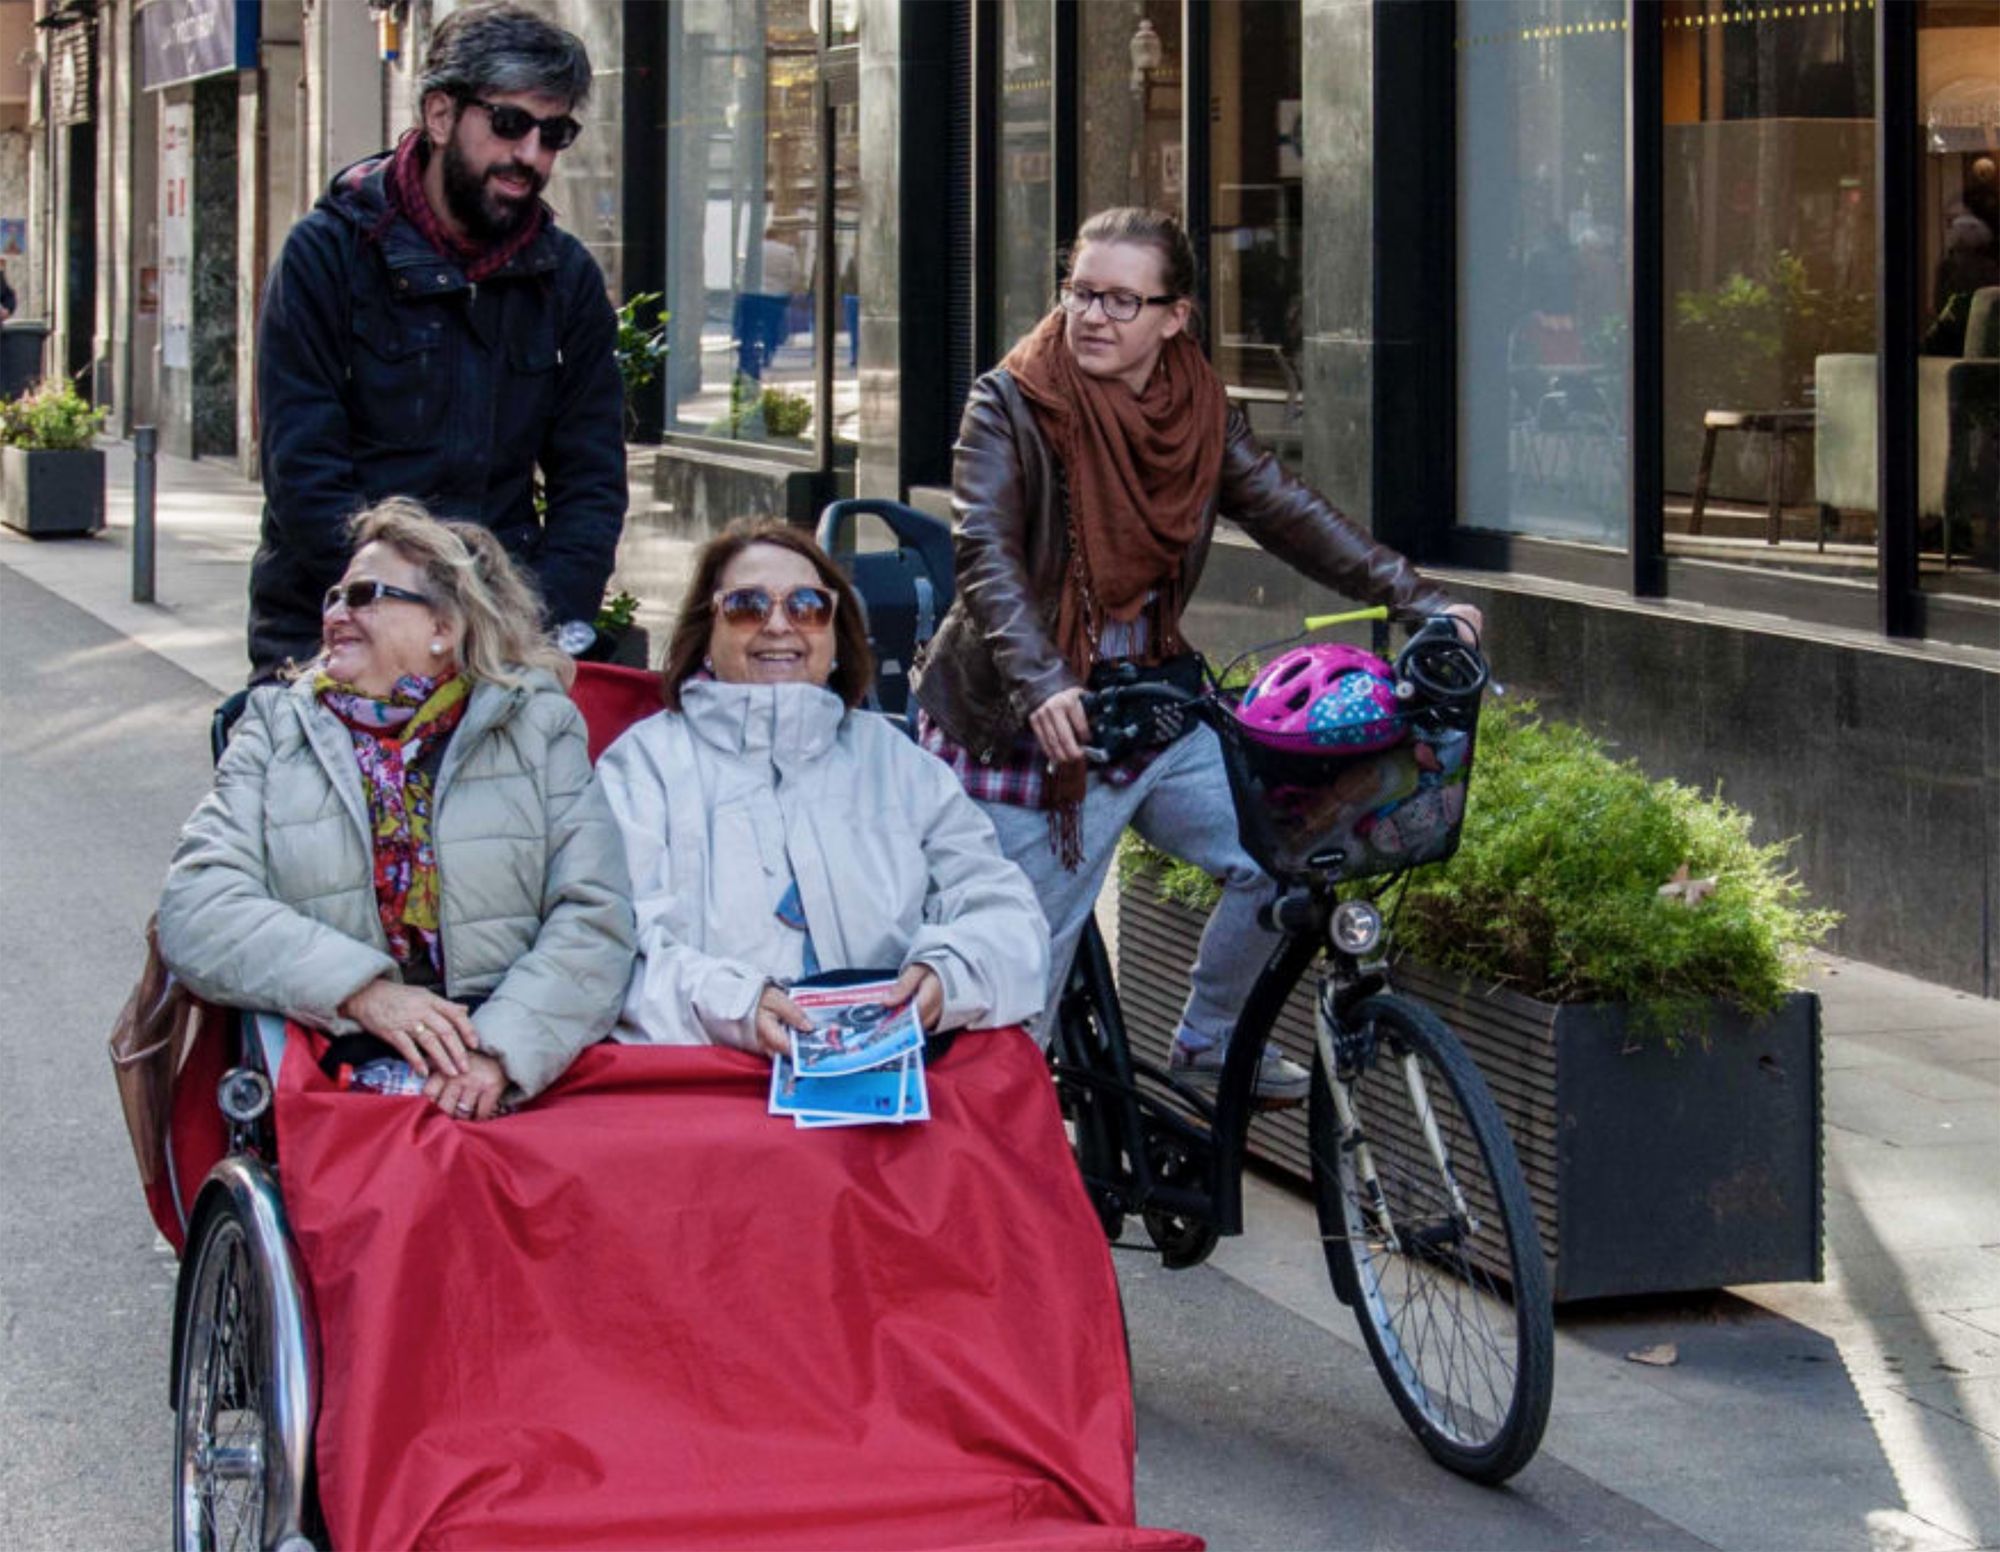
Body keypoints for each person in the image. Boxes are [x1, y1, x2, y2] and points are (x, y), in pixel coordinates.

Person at [913, 206, 1481, 1105]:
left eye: (1121, 301)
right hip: (1022, 725)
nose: (1092, 317)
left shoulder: (1199, 408)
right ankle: (1003, 1181)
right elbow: (985, 556)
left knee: (1285, 855)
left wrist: (1421, 601)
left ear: (1176, 316)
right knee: (1015, 982)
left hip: (1152, 705)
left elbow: (1288, 510)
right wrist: (1041, 680)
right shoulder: (1011, 402)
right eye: (1080, 294)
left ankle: (1211, 1044)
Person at [158, 497, 635, 1117]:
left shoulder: (537, 726)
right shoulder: (276, 729)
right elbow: (197, 903)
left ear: (445, 626)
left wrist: (500, 1051)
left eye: (364, 597)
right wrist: (363, 992)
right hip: (337, 1047)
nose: (336, 614)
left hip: (515, 1053)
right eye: (334, 597)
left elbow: (595, 914)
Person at [249, 0, 626, 682]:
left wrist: (535, 629)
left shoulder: (566, 280)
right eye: (510, 124)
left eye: (554, 133)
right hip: (330, 633)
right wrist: (399, 614)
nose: (530, 155)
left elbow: (591, 484)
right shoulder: (327, 256)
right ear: (440, 115)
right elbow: (304, 477)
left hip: (498, 644)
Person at [597, 521, 1048, 1049]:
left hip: (890, 1080)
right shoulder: (642, 766)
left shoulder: (900, 765)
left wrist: (948, 975)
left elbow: (1002, 909)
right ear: (705, 633)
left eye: (807, 606)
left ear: (836, 636)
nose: (779, 625)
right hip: (708, 1087)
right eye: (747, 605)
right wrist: (736, 1006)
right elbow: (602, 948)